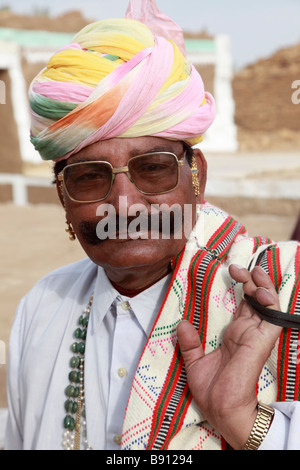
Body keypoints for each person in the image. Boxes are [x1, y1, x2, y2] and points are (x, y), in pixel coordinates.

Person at [5, 0, 300, 451]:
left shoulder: (283, 298)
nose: (124, 204)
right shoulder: (42, 309)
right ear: (63, 197)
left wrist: (241, 419)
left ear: (196, 174)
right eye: (89, 177)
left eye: (153, 169)